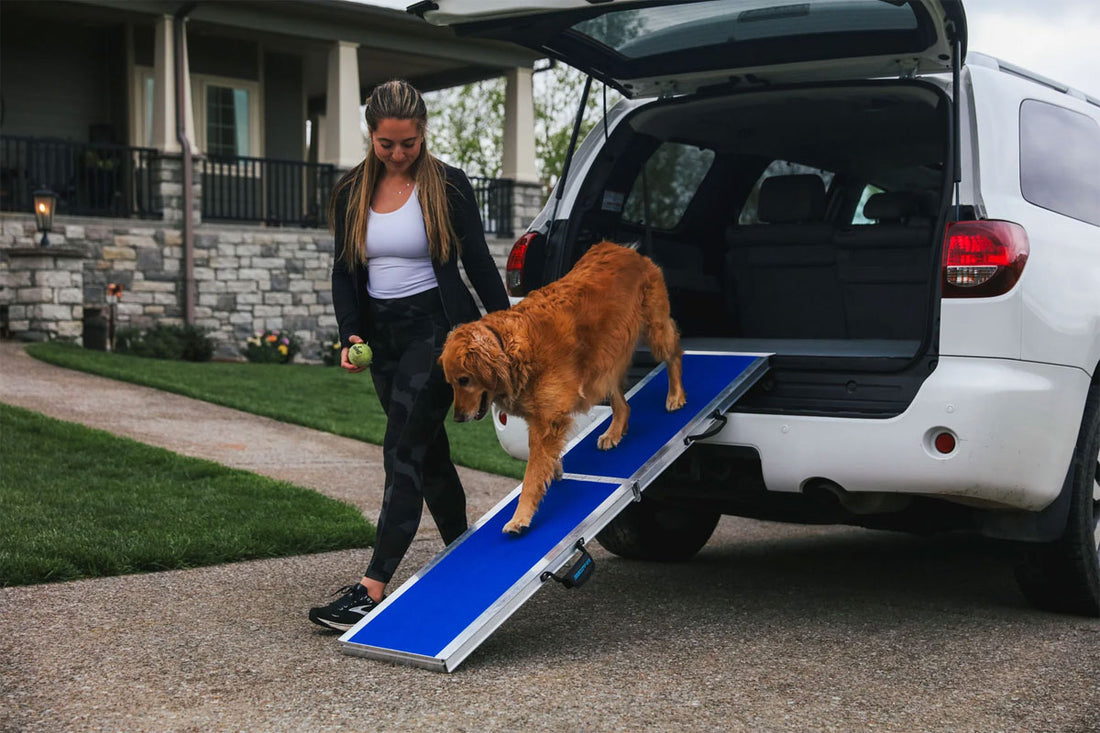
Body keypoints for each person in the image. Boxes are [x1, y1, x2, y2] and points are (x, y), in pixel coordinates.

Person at [309, 79, 509, 631]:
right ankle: (468, 558)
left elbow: (480, 266)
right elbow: (345, 271)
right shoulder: (352, 191)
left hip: (438, 331)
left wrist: (506, 334)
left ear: (423, 134)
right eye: (386, 144)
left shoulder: (448, 184)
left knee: (401, 450)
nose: (398, 154)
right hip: (383, 336)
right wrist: (350, 335)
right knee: (428, 454)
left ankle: (372, 588)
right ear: (370, 136)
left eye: (409, 144)